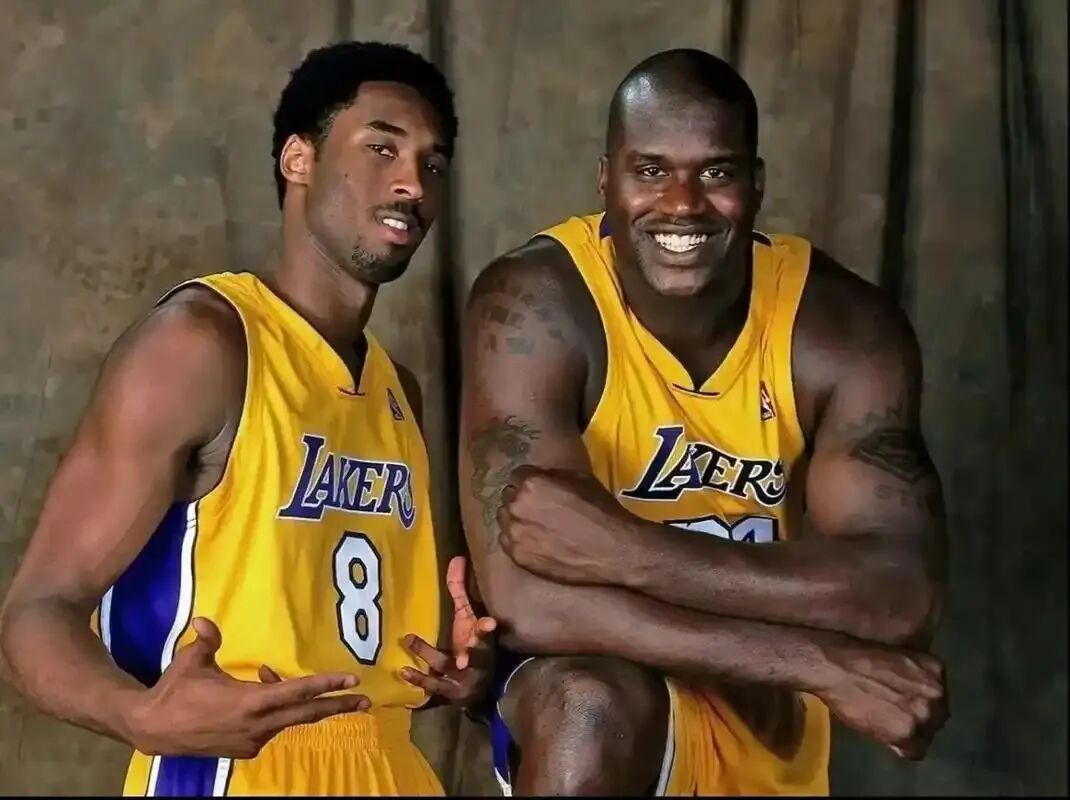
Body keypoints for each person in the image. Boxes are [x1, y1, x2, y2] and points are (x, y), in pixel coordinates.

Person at [0, 41, 495, 797]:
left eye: (432, 163)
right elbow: (33, 614)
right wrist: (140, 715)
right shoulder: (202, 344)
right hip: (234, 770)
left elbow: (337, 629)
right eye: (382, 148)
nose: (412, 183)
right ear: (299, 159)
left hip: (390, 766)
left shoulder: (397, 389)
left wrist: (446, 667)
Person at [459, 48, 948, 796]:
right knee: (586, 705)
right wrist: (816, 660)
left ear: (756, 185)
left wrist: (626, 552)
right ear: (605, 181)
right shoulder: (537, 306)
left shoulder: (841, 330)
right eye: (650, 171)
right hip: (600, 700)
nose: (682, 204)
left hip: (765, 717)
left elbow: (901, 593)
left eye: (715, 172)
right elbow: (525, 602)